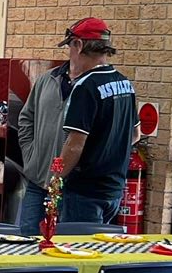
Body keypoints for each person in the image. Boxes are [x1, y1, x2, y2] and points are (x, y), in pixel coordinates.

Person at [55, 18, 138, 225]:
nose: (70, 55)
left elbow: (75, 144)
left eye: (70, 47)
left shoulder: (85, 86)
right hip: (114, 189)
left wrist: (56, 180)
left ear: (78, 45)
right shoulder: (124, 83)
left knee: (77, 252)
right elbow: (135, 134)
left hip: (85, 191)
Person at [12, 55, 71, 235]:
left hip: (71, 185)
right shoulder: (48, 78)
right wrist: (30, 154)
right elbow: (26, 118)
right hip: (38, 178)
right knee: (26, 237)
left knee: (64, 240)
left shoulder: (93, 85)